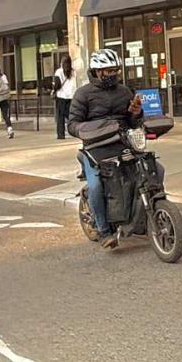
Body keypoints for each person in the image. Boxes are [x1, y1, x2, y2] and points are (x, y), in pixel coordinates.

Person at [69, 50, 143, 246]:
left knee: (154, 170)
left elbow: (133, 122)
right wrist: (91, 130)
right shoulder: (83, 94)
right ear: (97, 71)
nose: (112, 74)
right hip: (94, 149)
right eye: (108, 70)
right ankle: (103, 230)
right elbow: (72, 125)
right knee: (96, 186)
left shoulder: (125, 91)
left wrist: (136, 113)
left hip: (122, 144)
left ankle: (142, 216)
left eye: (115, 70)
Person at [52, 54, 76, 141]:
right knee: (70, 115)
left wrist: (53, 90)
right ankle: (76, 130)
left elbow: (57, 85)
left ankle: (61, 134)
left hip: (61, 96)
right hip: (71, 96)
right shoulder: (73, 72)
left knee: (60, 117)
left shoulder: (59, 71)